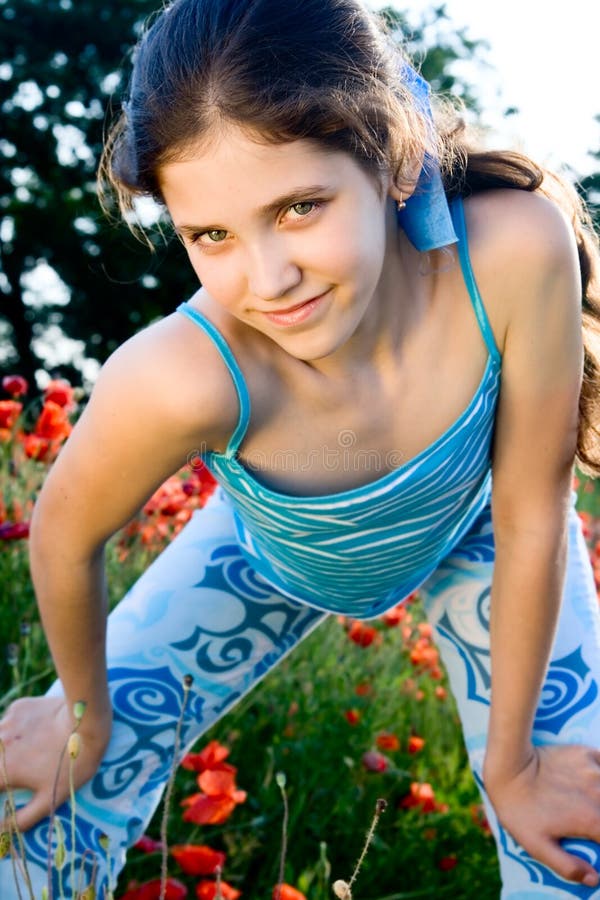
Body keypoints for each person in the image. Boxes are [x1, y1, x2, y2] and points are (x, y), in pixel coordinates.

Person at [2, 0, 600, 895]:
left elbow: (529, 511)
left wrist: (513, 765)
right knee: (38, 821)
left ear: (392, 160)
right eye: (211, 235)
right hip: (264, 558)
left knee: (579, 846)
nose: (269, 280)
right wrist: (80, 715)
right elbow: (62, 530)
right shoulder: (181, 375)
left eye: (299, 207)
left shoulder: (513, 250)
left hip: (483, 534)